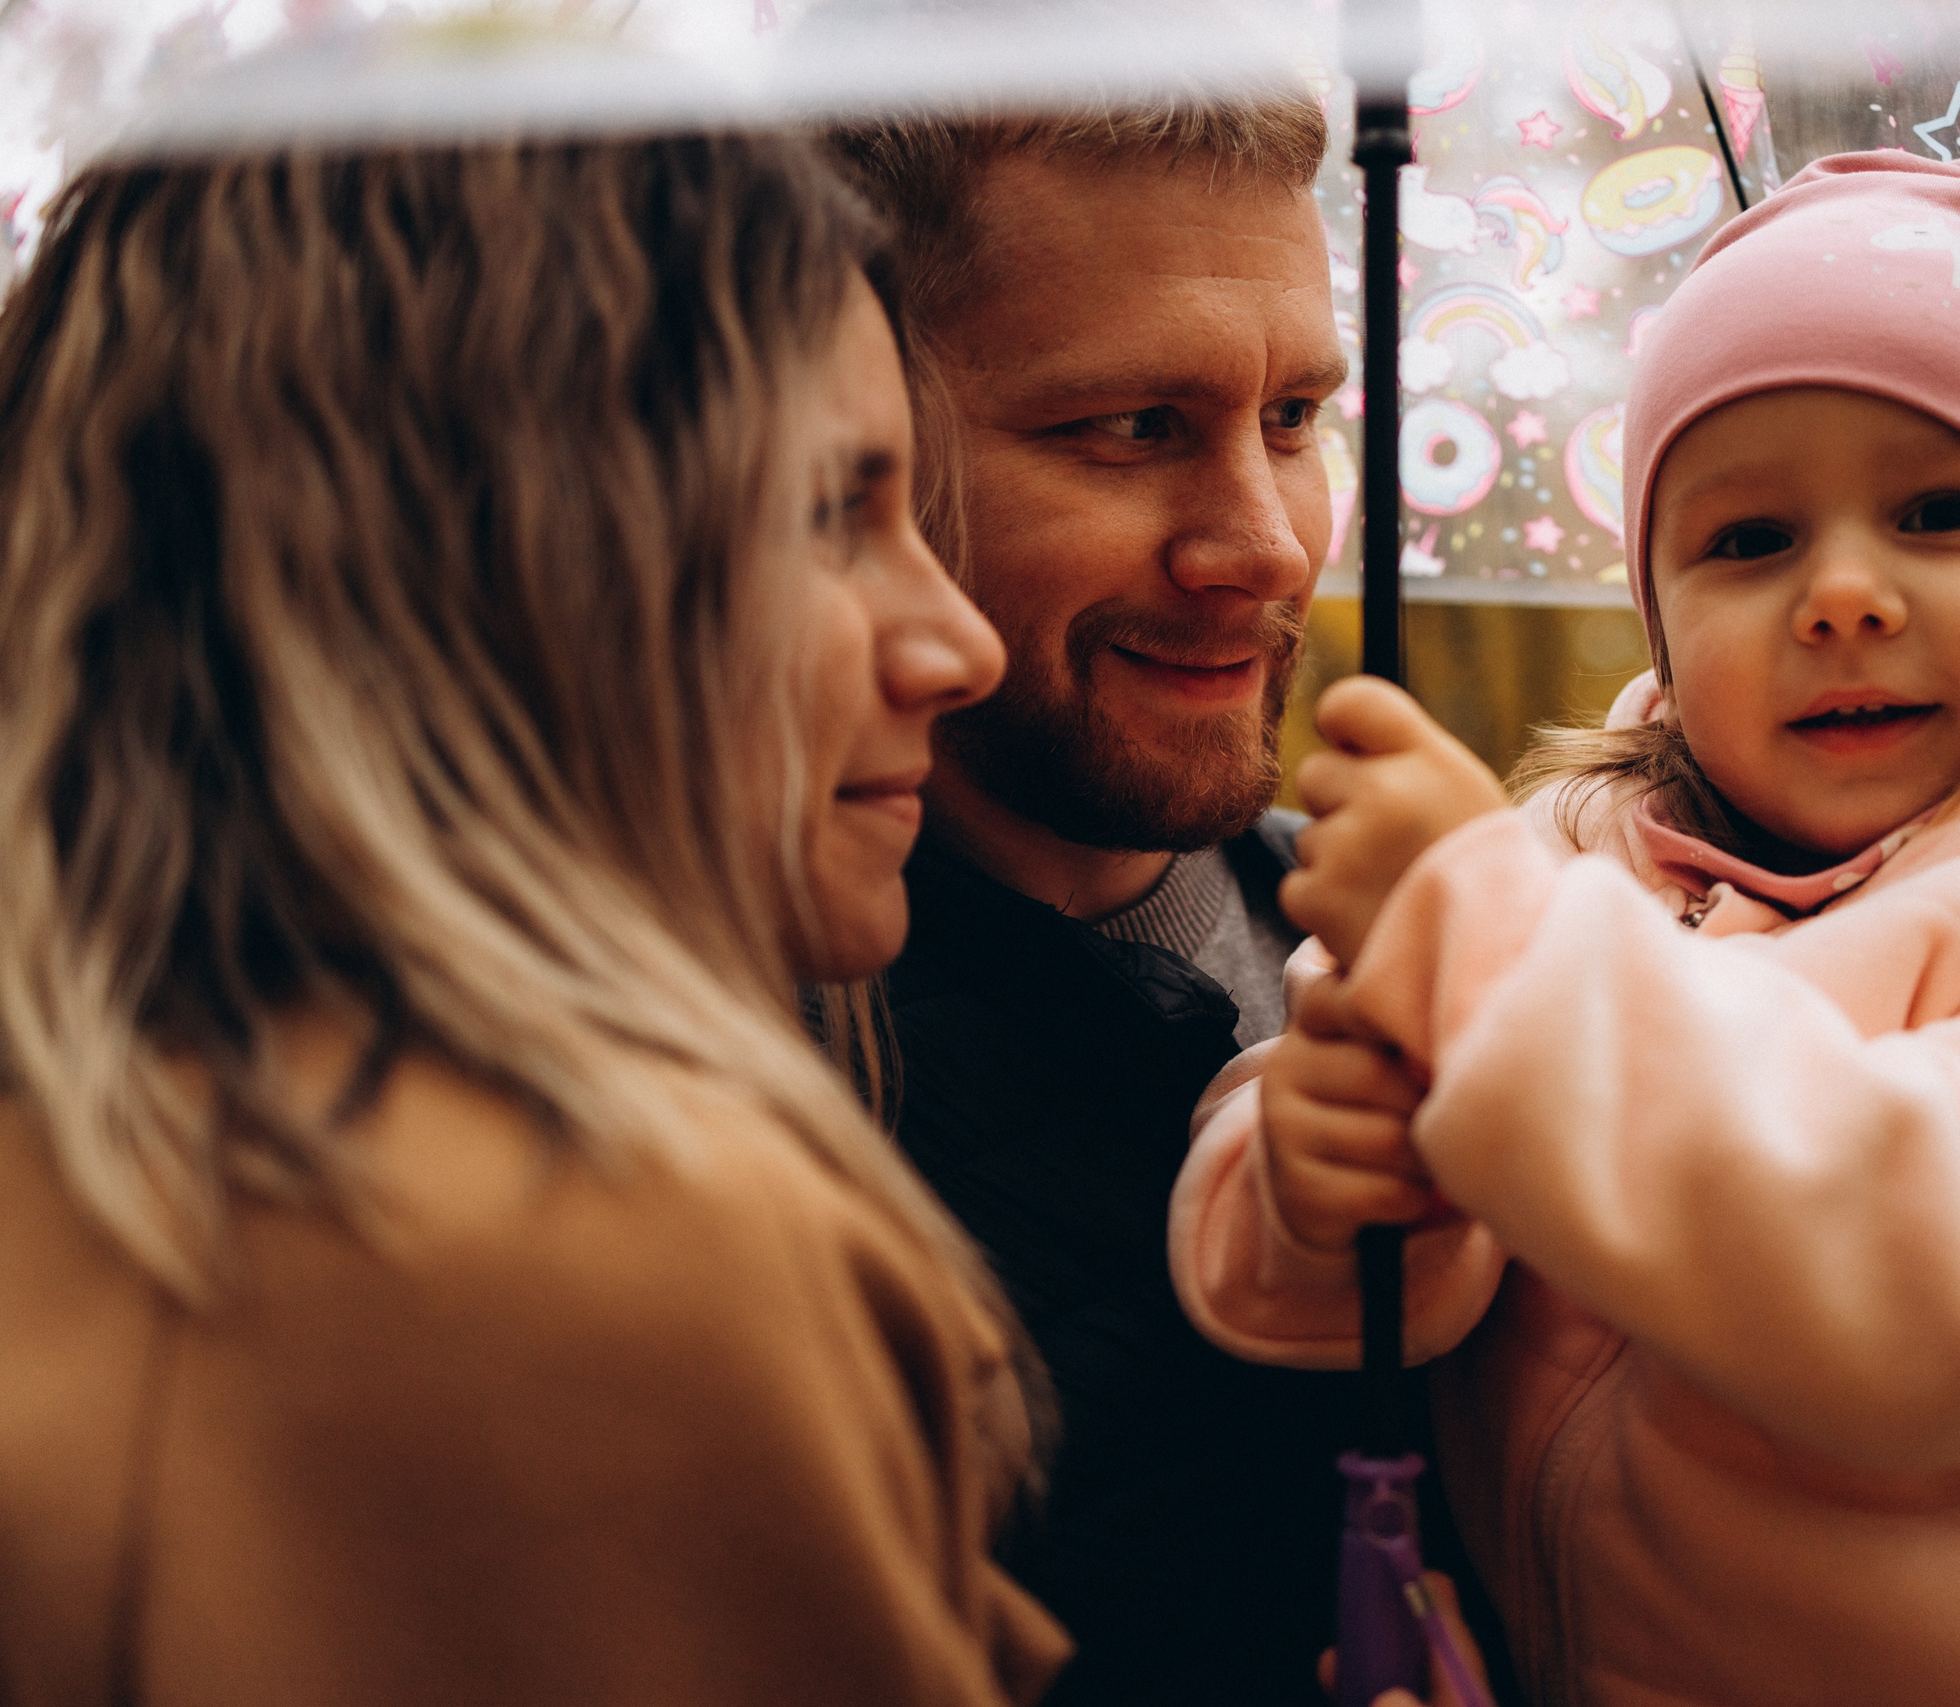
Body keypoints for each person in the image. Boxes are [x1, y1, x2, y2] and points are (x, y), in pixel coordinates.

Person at [1173, 153, 1960, 1705]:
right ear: (1657, 609)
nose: (1843, 594)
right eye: (1748, 542)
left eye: (1939, 512)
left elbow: (1945, 1296)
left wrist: (1496, 955)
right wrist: (1319, 1181)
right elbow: (1319, 1148)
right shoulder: (1572, 865)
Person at [0, 131, 1068, 1705]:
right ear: (477, 569)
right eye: (827, 512)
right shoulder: (584, 1248)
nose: (955, 642)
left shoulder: (16, 1144)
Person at [829, 91, 1501, 1706]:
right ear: (859, 441)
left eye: (1294, 418)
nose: (1264, 549)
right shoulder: (746, 1062)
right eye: (1131, 426)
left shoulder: (1429, 957)